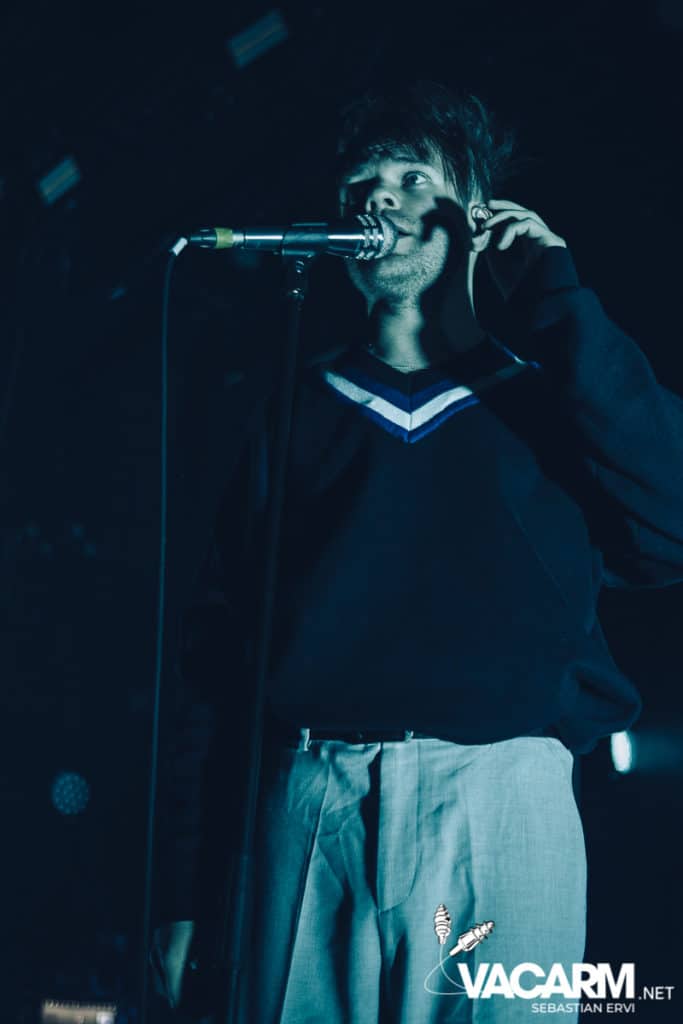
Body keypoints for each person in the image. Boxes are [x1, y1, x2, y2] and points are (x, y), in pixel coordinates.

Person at [151, 81, 683, 1023]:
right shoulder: (289, 412)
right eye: (362, 183)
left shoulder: (550, 401)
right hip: (310, 797)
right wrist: (185, 888)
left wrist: (557, 299)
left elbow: (669, 520)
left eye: (411, 178)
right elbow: (212, 661)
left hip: (502, 798)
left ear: (474, 213)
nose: (380, 199)